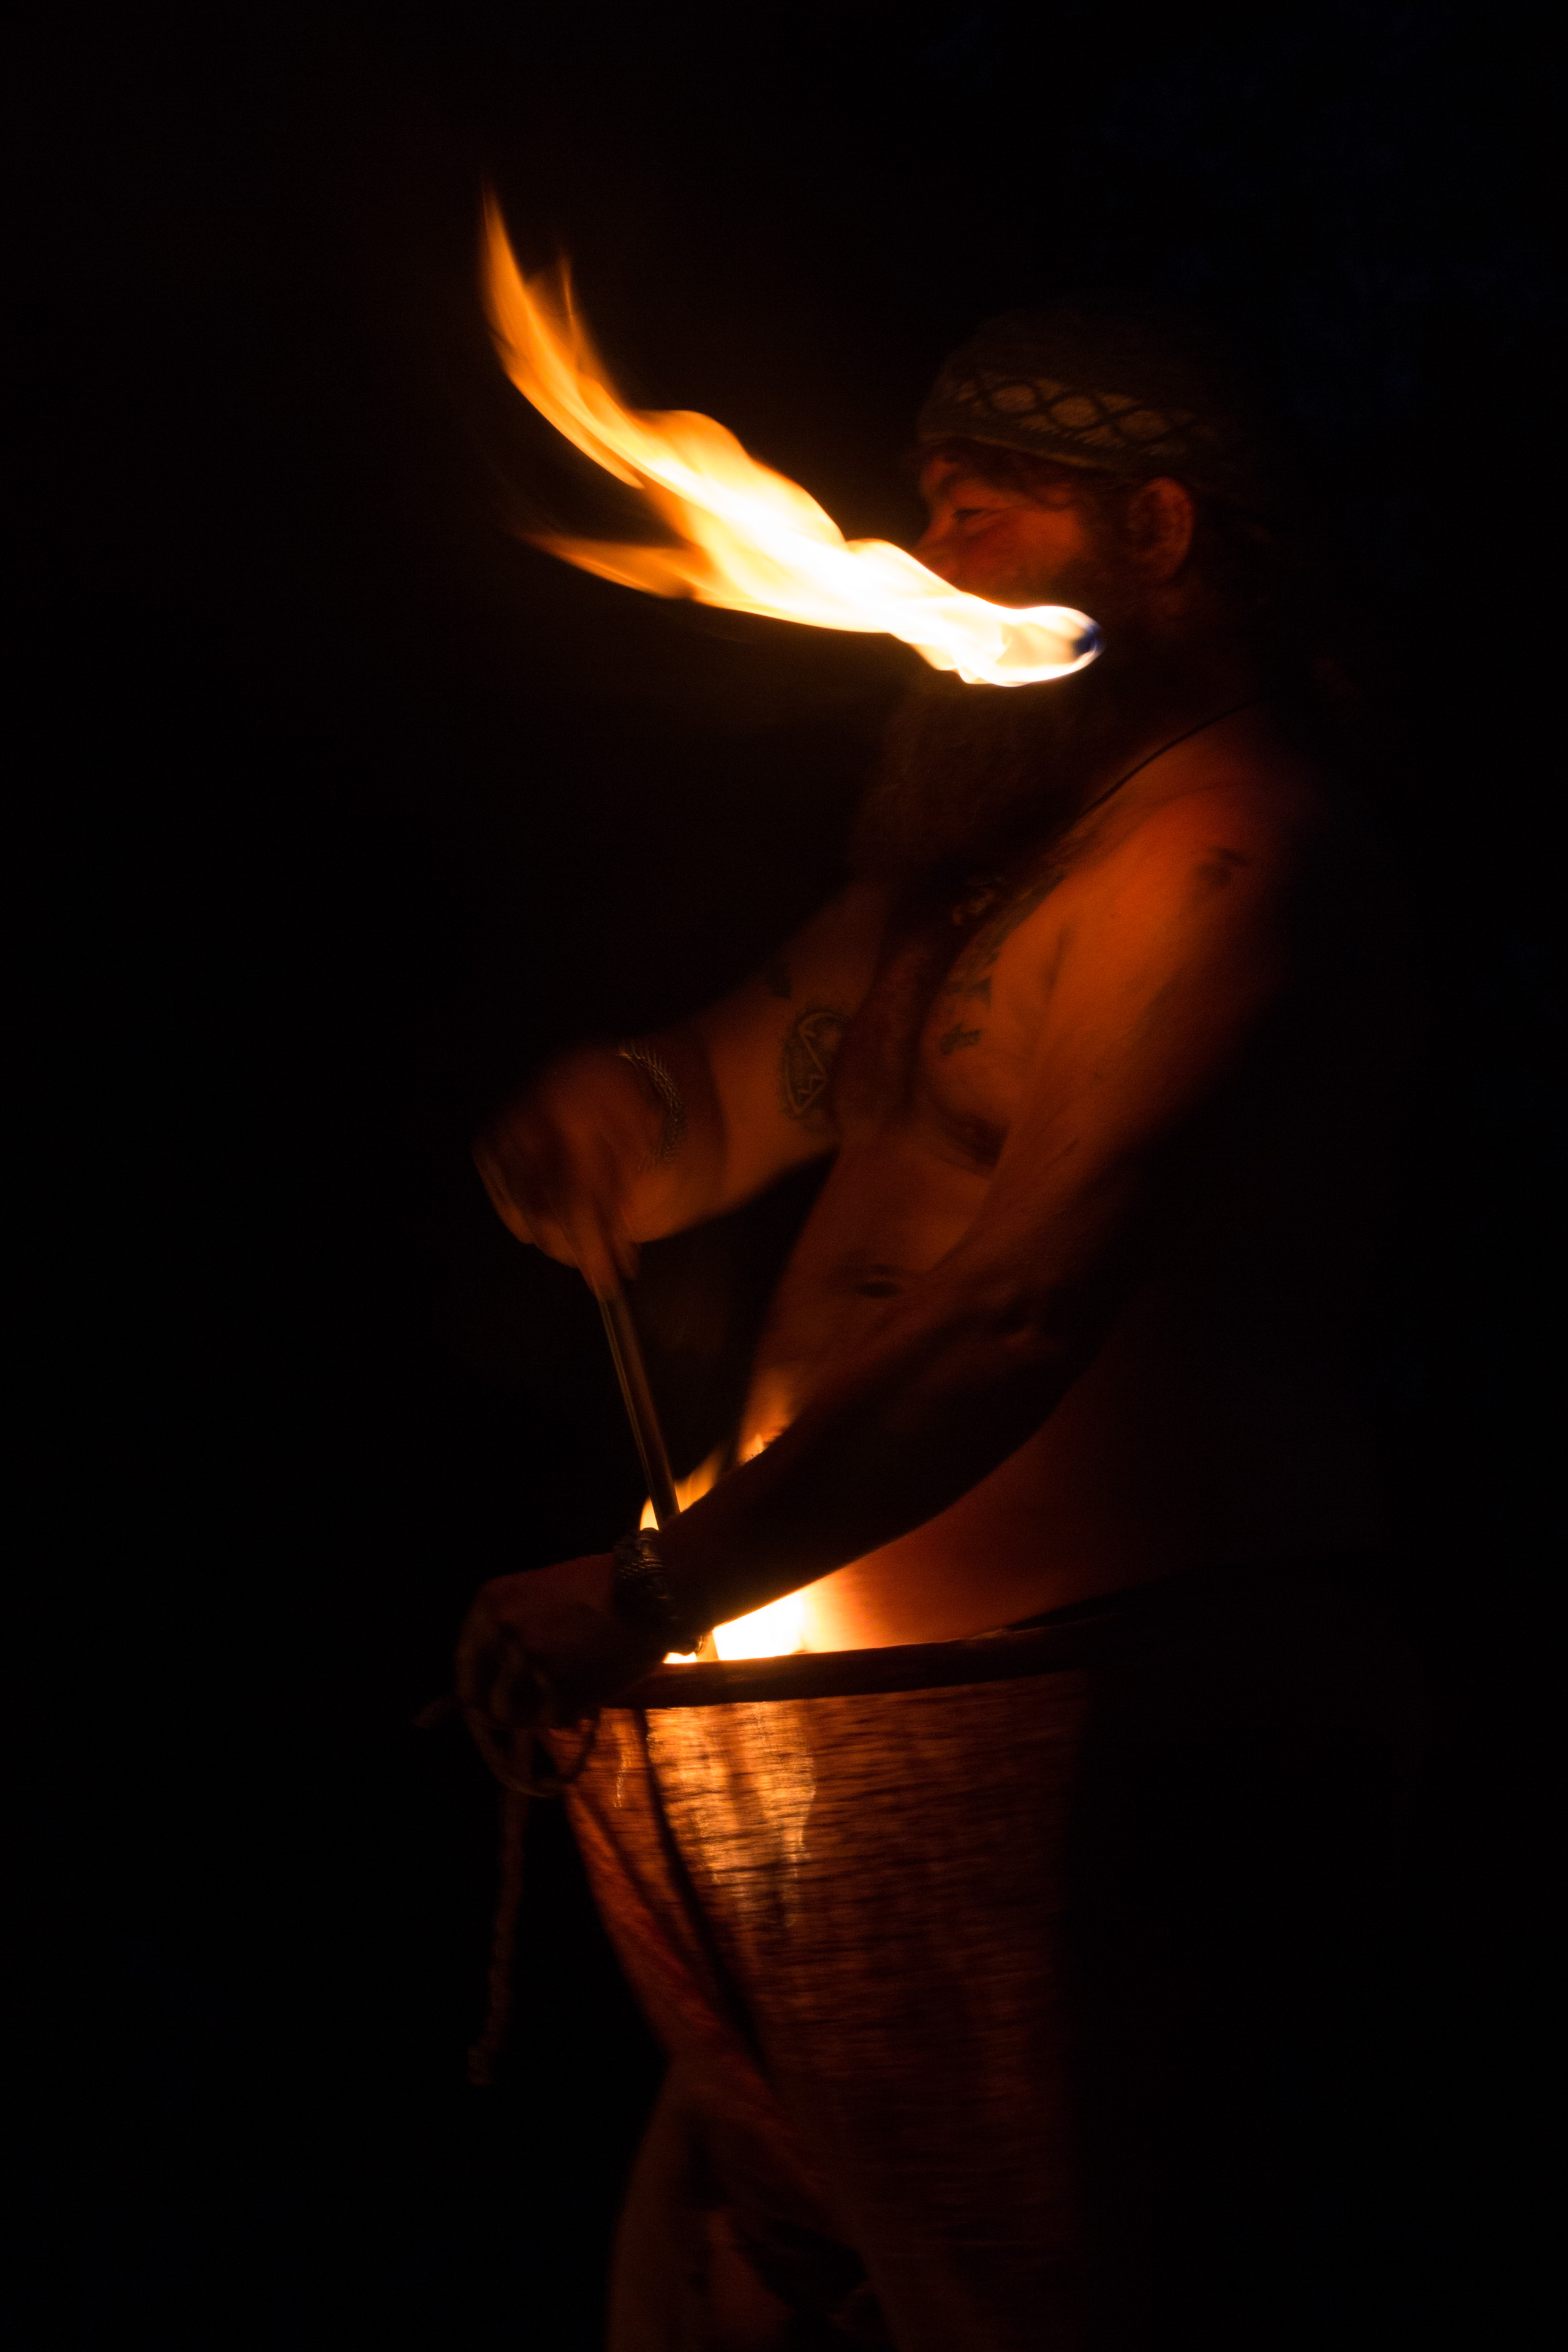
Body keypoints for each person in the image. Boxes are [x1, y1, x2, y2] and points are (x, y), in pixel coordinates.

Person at [461, 308, 1420, 2350]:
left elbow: (1023, 1307)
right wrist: (619, 1120)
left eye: (987, 510)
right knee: (738, 2284)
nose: (925, 552)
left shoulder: (1228, 859)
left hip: (1062, 1748)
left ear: (1158, 534)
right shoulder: (982, 871)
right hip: (792, 1738)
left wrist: (659, 1586)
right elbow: (742, 1093)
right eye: (929, 504)